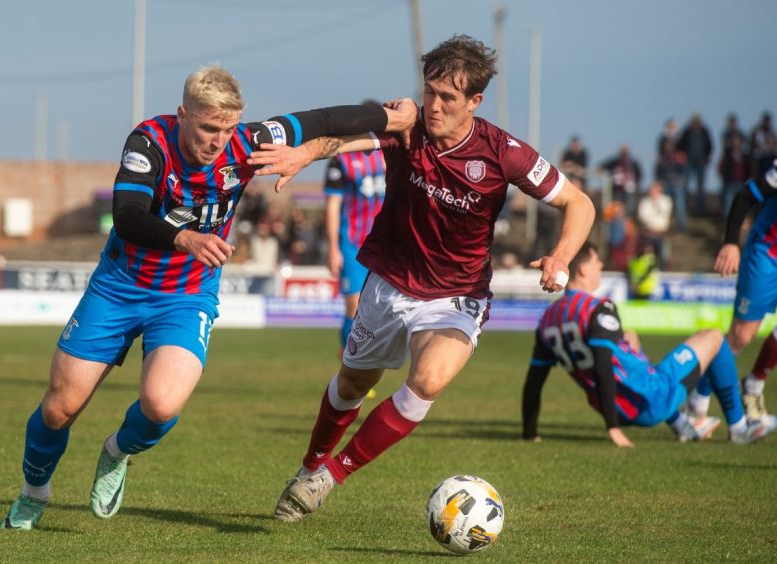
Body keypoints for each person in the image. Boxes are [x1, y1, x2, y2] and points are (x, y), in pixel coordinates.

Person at [0, 64, 417, 530]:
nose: (218, 140)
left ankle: (118, 450)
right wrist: (185, 240)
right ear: (182, 114)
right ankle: (34, 492)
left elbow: (320, 120)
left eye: (227, 128)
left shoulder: (248, 140)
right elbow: (128, 215)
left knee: (161, 406)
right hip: (119, 286)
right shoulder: (149, 142)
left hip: (186, 292)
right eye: (207, 128)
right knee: (60, 407)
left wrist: (390, 117)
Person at [248, 34, 596, 522]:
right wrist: (305, 154)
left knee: (428, 379)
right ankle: (310, 466)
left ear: (474, 102)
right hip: (388, 282)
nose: (433, 106)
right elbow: (344, 139)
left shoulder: (504, 153)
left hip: (456, 295)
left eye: (447, 98)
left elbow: (578, 203)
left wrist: (561, 256)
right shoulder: (407, 127)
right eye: (429, 91)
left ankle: (331, 477)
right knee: (351, 383)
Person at [522, 243, 777, 447]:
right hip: (650, 401)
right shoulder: (598, 309)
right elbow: (603, 367)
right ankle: (738, 427)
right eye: (597, 261)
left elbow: (534, 381)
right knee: (713, 337)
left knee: (629, 336)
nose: (601, 265)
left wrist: (529, 432)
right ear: (583, 270)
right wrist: (613, 428)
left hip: (616, 406)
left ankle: (683, 425)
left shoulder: (549, 318)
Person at [693, 160, 777, 422]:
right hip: (766, 255)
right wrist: (731, 243)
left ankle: (752, 388)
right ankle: (697, 400)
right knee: (741, 336)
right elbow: (745, 196)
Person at [323, 100, 387, 354]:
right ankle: (348, 369)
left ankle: (360, 365)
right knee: (354, 307)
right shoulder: (342, 160)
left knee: (377, 311)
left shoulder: (389, 157)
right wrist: (333, 248)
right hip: (352, 244)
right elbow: (332, 207)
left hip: (384, 244)